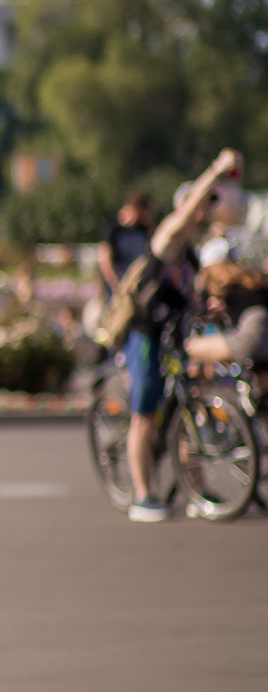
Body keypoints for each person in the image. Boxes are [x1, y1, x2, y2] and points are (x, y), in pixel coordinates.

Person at [116, 150, 244, 522]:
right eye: (202, 205)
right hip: (146, 337)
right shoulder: (167, 239)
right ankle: (143, 495)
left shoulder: (190, 256)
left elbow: (190, 298)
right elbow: (186, 214)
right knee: (144, 415)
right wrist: (216, 171)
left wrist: (211, 309)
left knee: (188, 412)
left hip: (176, 339)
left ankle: (195, 489)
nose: (206, 213)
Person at [184, 262, 268, 368]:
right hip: (262, 333)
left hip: (252, 331)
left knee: (190, 347)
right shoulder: (250, 280)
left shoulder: (224, 286)